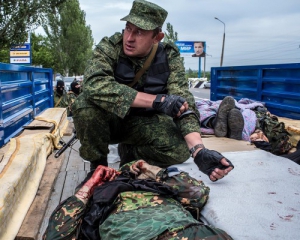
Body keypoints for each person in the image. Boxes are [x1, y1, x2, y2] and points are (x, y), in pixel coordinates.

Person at [72, 0, 234, 182]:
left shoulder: (168, 55)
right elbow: (95, 84)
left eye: (139, 32)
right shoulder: (111, 47)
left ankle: (131, 154)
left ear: (157, 37)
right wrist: (157, 101)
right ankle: (98, 169)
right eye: (128, 28)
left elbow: (183, 100)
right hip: (110, 123)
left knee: (180, 149)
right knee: (85, 105)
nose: (129, 38)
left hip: (143, 124)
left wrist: (198, 150)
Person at [43, 161, 233, 240]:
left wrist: (150, 169)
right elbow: (55, 236)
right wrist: (88, 189)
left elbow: (197, 192)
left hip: (198, 234)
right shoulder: (96, 203)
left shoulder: (161, 188)